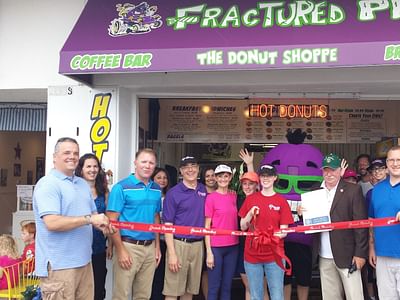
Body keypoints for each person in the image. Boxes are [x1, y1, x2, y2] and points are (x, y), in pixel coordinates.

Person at [33, 137, 111, 300]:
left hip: (84, 262)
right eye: (66, 152)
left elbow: (94, 216)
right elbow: (52, 222)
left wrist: (104, 225)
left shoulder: (82, 184)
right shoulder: (48, 184)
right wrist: (89, 219)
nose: (72, 156)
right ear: (55, 157)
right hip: (60, 267)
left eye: (76, 153)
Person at [107, 148, 162, 300]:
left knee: (144, 295)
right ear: (135, 163)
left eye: (151, 163)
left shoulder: (156, 189)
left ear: (155, 165)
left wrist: (157, 247)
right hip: (128, 246)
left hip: (149, 248)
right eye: (143, 161)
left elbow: (156, 218)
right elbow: (112, 221)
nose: (147, 165)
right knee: (121, 295)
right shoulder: (121, 187)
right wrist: (120, 249)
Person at [317, 153, 368, 300]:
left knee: (355, 296)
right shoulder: (315, 191)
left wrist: (360, 254)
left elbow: (361, 225)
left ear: (340, 171)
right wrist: (303, 213)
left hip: (348, 255)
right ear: (322, 171)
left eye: (333, 170)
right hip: (324, 255)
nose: (329, 173)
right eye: (326, 170)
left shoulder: (353, 190)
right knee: (330, 297)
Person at [239, 164, 293, 300]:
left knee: (277, 295)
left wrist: (268, 237)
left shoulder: (281, 201)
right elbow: (242, 226)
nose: (265, 178)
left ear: (275, 178)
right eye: (263, 176)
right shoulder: (250, 199)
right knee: (255, 295)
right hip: (252, 255)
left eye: (269, 175)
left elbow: (284, 231)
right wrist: (250, 214)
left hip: (274, 255)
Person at [162, 156, 207, 300]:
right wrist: (172, 254)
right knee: (173, 290)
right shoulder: (173, 193)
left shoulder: (203, 190)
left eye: (193, 165)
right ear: (181, 171)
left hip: (198, 245)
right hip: (178, 244)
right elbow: (167, 225)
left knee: (190, 290)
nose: (190, 169)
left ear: (198, 169)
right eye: (186, 167)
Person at [75, 153, 111, 300]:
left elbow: (109, 219)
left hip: (98, 246)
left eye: (95, 166)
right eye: (88, 166)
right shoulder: (74, 189)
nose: (92, 169)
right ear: (81, 169)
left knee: (98, 288)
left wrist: (111, 245)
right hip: (77, 246)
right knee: (79, 289)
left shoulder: (105, 192)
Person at [369, 146, 400, 299]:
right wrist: (371, 247)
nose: (395, 163)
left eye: (399, 160)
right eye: (392, 160)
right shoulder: (377, 190)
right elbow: (371, 221)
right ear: (387, 164)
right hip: (382, 255)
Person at [205, 164, 239, 300]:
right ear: (216, 178)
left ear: (230, 177)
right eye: (220, 176)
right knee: (214, 286)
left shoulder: (233, 196)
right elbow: (206, 226)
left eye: (226, 176)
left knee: (227, 286)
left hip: (233, 246)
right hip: (216, 248)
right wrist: (209, 252)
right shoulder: (211, 198)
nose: (223, 179)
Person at [151, 167, 171, 300]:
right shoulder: (151, 196)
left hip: (167, 241)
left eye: (164, 178)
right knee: (153, 275)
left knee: (164, 275)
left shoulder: (170, 196)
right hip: (152, 241)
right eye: (159, 177)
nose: (162, 180)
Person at [199, 166, 217, 300]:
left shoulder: (224, 192)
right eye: (207, 176)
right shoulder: (199, 192)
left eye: (213, 175)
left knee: (216, 268)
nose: (211, 178)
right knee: (205, 269)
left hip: (217, 237)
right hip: (202, 234)